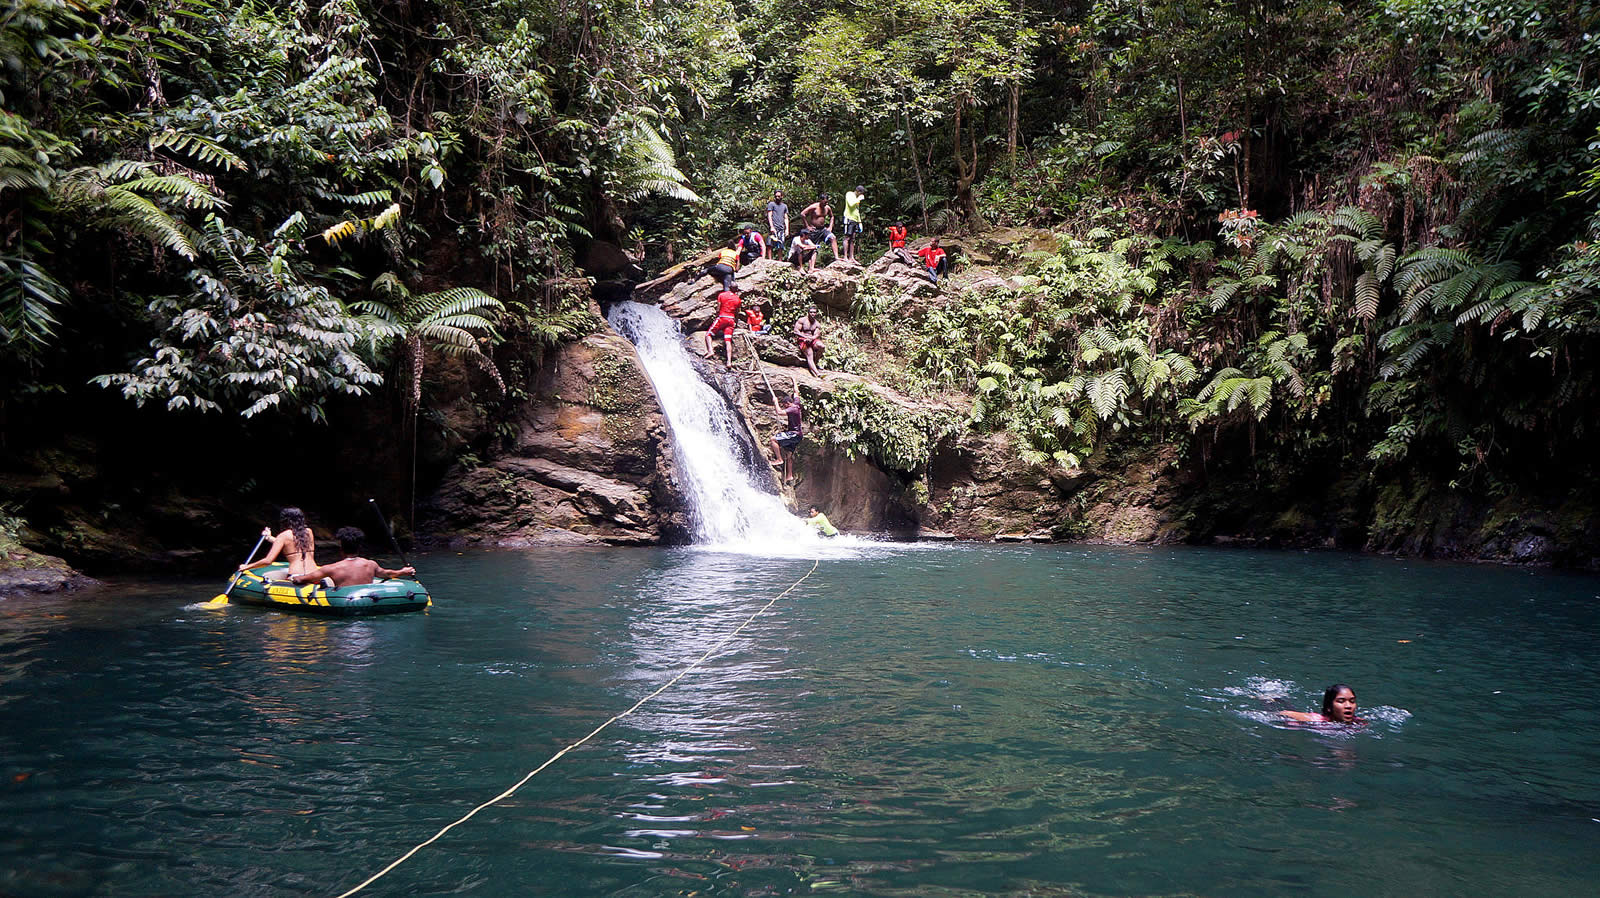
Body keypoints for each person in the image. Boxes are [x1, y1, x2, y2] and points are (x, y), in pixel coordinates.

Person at [290, 527, 414, 588]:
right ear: (359, 548)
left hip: (345, 603)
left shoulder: (331, 568)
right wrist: (403, 571)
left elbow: (304, 579)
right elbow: (386, 574)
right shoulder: (371, 564)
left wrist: (295, 578)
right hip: (368, 600)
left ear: (341, 549)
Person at [239, 507, 318, 580]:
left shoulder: (283, 536)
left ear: (285, 520)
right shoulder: (309, 532)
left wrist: (247, 567)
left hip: (297, 575)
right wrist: (269, 537)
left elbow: (268, 561)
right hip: (314, 574)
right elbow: (293, 545)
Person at [1280, 684, 1365, 725]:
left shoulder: (1359, 723)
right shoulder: (1316, 720)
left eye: (1352, 701)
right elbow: (1285, 713)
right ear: (1329, 707)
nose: (1348, 706)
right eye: (1341, 701)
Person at [768, 394, 804, 484]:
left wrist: (775, 402)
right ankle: (789, 476)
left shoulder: (792, 409)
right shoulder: (797, 404)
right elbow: (796, 392)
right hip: (798, 436)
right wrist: (794, 380)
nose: (784, 407)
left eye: (784, 405)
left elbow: (779, 412)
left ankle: (779, 459)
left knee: (773, 440)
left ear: (788, 403)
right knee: (789, 455)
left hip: (793, 434)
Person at [704, 284, 742, 365]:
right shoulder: (738, 299)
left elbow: (718, 308)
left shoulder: (722, 295)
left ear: (729, 287)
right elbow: (737, 313)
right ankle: (729, 362)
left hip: (722, 317)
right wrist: (736, 321)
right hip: (731, 320)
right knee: (728, 340)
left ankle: (710, 351)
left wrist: (717, 317)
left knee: (708, 334)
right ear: (736, 290)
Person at [800, 194, 839, 262]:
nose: (826, 204)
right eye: (825, 202)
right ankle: (810, 267)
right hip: (814, 230)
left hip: (823, 229)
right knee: (813, 248)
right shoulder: (814, 207)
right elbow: (802, 214)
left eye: (827, 202)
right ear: (820, 200)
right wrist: (807, 226)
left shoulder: (827, 208)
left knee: (833, 238)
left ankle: (836, 257)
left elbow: (832, 216)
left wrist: (830, 226)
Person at [792, 305, 825, 377]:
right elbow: (796, 331)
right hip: (802, 340)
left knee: (822, 346)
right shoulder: (802, 320)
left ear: (816, 313)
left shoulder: (817, 324)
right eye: (811, 312)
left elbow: (817, 334)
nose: (812, 314)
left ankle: (815, 363)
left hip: (812, 339)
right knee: (810, 353)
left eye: (814, 312)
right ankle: (817, 373)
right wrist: (805, 337)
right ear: (808, 312)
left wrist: (811, 338)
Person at [841, 185, 865, 262]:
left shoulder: (857, 199)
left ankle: (851, 257)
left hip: (855, 219)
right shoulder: (849, 194)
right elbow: (851, 205)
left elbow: (857, 210)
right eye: (861, 193)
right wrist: (858, 199)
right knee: (847, 237)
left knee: (853, 239)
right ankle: (845, 256)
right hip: (848, 218)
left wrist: (860, 222)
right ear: (858, 191)